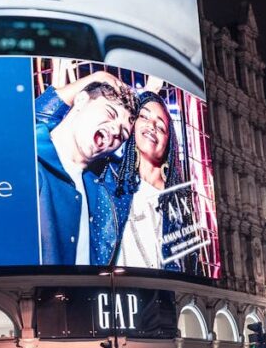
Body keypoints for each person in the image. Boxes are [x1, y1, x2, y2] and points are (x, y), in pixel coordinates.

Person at [36, 72, 137, 265]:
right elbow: (22, 119)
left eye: (123, 133)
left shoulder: (105, 186)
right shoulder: (27, 155)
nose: (115, 131)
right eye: (110, 113)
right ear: (81, 100)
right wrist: (98, 77)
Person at [116, 91, 198, 273]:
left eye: (161, 127)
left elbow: (191, 264)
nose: (152, 126)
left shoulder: (178, 202)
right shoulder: (112, 179)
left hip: (164, 295)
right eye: (144, 116)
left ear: (169, 143)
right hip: (115, 288)